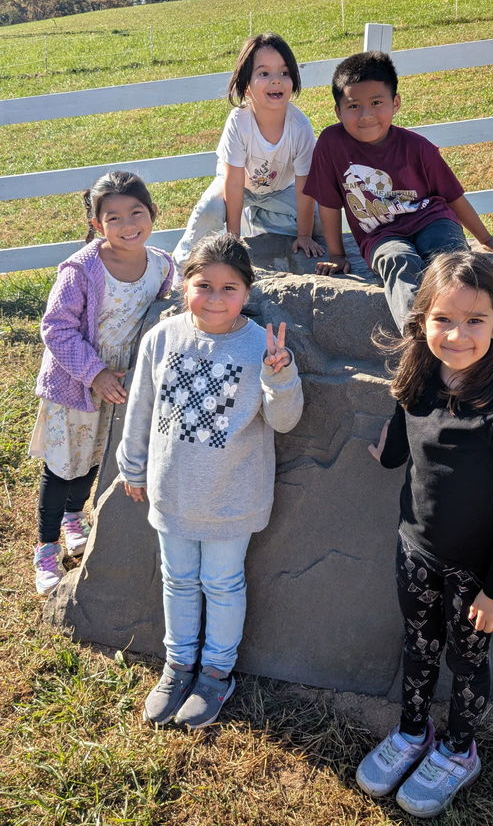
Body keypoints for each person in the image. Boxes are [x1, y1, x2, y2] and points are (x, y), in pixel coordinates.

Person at [355, 251, 493, 818]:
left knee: (465, 659)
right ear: (422, 320)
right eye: (443, 319)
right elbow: (406, 441)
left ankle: (459, 749)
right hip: (415, 552)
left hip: (474, 573)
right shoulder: (419, 378)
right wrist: (387, 452)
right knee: (418, 645)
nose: (457, 335)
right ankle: (413, 733)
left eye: (475, 321)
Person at [117, 233, 303, 729]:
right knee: (177, 580)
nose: (216, 299)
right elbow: (140, 409)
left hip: (230, 498)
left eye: (229, 287)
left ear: (247, 291)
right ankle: (177, 666)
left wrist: (279, 375)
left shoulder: (261, 345)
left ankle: (216, 674)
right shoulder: (162, 337)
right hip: (172, 490)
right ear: (184, 285)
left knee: (222, 583)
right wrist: (133, 467)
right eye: (204, 286)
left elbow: (285, 421)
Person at [30, 171, 173, 597]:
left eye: (137, 212)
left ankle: (76, 517)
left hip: (121, 389)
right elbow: (56, 328)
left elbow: (167, 314)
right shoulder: (82, 270)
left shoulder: (163, 266)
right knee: (62, 466)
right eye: (113, 218)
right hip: (77, 382)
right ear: (97, 224)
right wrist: (96, 373)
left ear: (152, 214)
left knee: (96, 458)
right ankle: (46, 547)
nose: (128, 224)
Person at [303, 51, 493, 333]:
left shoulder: (418, 147)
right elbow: (329, 203)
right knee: (398, 261)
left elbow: (452, 196)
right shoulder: (331, 143)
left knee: (448, 261)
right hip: (380, 235)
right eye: (354, 106)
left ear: (396, 103)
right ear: (338, 111)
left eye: (377, 103)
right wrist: (336, 254)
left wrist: (486, 238)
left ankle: (474, 332)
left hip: (432, 219)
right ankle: (419, 339)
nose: (366, 115)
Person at [172, 32, 323, 278]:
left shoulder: (300, 127)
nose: (276, 80)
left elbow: (305, 186)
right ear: (245, 85)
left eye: (284, 73)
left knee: (320, 220)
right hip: (239, 187)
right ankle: (178, 271)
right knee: (209, 210)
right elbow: (233, 182)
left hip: (281, 190)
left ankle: (268, 225)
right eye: (264, 73)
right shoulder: (239, 122)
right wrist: (234, 240)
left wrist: (304, 235)